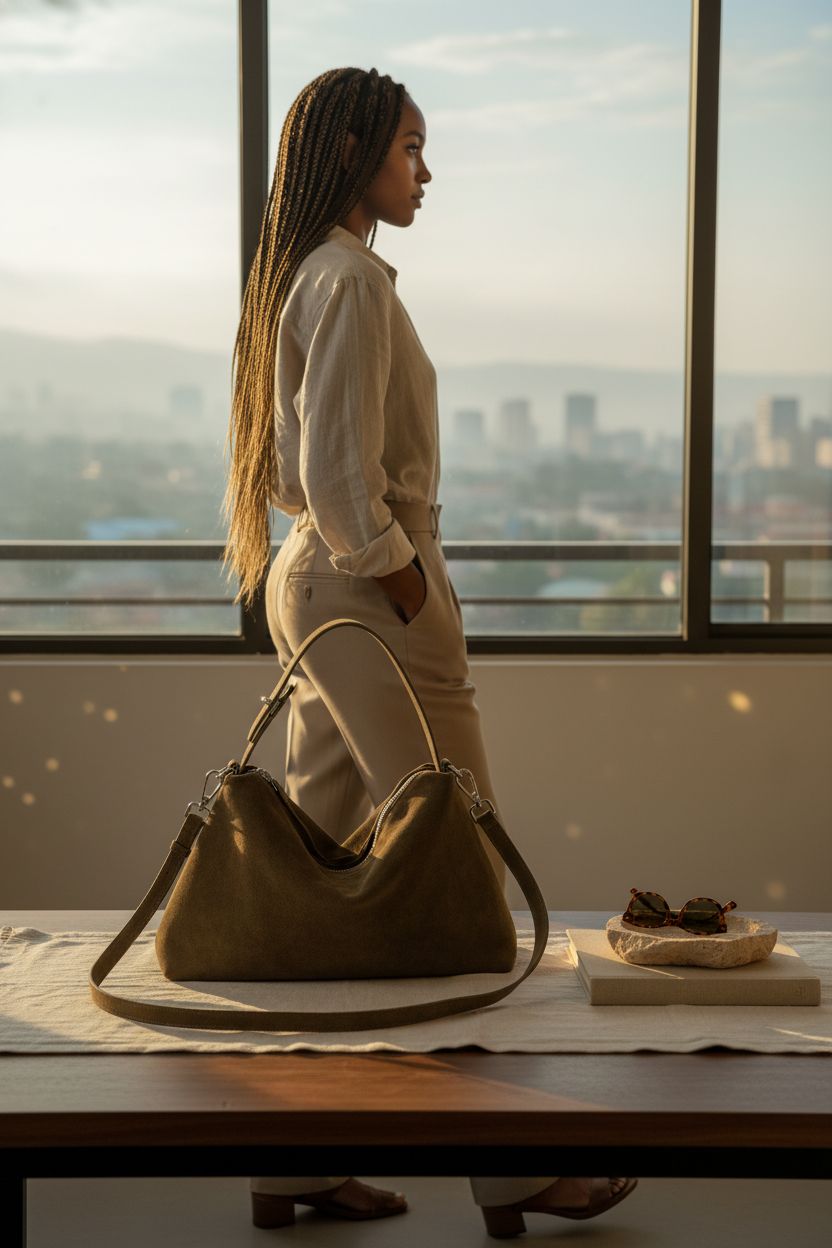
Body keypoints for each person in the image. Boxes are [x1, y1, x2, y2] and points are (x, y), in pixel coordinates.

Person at [220, 65, 638, 1238]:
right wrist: (416, 592)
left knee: (323, 885)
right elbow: (349, 486)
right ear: (357, 150)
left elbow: (296, 478)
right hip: (368, 594)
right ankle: (513, 1174)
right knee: (465, 880)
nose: (426, 169)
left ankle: (291, 1160)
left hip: (326, 590)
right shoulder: (347, 280)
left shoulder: (307, 276)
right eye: (410, 145)